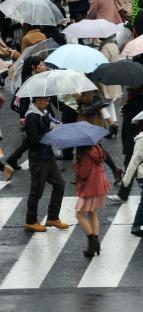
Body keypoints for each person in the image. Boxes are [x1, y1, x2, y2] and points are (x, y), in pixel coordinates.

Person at [24, 96, 69, 232]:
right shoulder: (32, 116)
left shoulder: (44, 113)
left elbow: (47, 128)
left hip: (48, 156)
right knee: (36, 191)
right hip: (38, 158)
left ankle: (52, 217)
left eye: (47, 100)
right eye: (43, 100)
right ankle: (30, 221)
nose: (46, 103)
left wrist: (55, 126)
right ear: (36, 101)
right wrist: (50, 133)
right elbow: (31, 139)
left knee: (60, 184)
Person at [74, 142, 110, 257]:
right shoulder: (96, 148)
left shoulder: (84, 154)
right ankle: (95, 243)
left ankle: (92, 240)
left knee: (79, 215)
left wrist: (75, 164)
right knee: (92, 212)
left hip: (89, 187)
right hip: (99, 184)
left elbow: (83, 173)